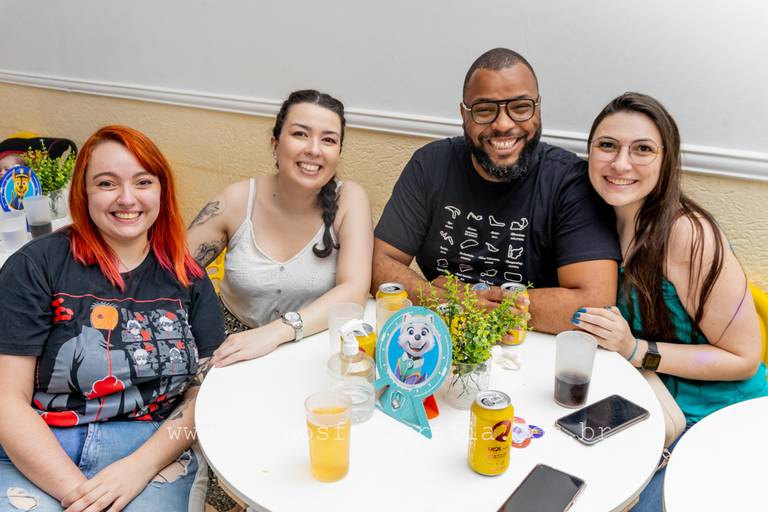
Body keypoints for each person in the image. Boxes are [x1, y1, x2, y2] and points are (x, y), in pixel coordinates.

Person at [0, 125, 225, 511]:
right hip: (41, 441)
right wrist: (80, 496)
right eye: (106, 183)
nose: (127, 198)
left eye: (143, 182)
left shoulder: (187, 276)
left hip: (152, 446)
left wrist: (139, 467)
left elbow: (202, 393)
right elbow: (7, 399)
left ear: (161, 190)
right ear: (83, 193)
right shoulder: (35, 265)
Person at [572, 92, 768, 511]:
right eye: (607, 145)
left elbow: (743, 359)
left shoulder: (688, 236)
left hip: (720, 418)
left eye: (642, 149)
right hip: (647, 402)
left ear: (667, 161)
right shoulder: (594, 222)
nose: (620, 163)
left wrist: (635, 349)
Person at [372, 48, 621, 334]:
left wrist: (468, 302)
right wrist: (444, 302)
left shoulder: (570, 180)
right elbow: (379, 264)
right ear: (464, 115)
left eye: (520, 107)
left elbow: (594, 304)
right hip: (442, 335)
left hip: (534, 342)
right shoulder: (430, 165)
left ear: (538, 108)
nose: (503, 124)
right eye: (484, 110)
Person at [187, 89, 372, 367]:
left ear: (338, 152)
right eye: (300, 134)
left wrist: (276, 333)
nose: (314, 149)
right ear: (275, 144)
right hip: (231, 351)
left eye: (329, 140)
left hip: (312, 351)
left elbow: (353, 291)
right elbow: (172, 272)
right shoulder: (237, 200)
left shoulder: (350, 199)